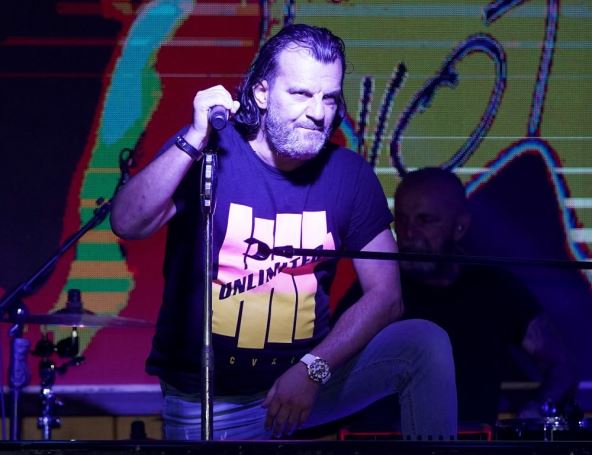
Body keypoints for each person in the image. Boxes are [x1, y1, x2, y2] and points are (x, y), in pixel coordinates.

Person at [110, 24, 457, 441]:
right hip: (212, 405)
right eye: (301, 94)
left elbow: (387, 297)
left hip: (308, 386)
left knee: (423, 343)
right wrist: (195, 135)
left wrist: (313, 369)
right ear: (261, 93)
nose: (318, 112)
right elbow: (127, 222)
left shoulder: (348, 174)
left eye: (329, 98)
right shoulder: (211, 152)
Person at [392, 167, 578, 426]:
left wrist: (534, 412)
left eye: (425, 220)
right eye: (401, 220)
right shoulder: (380, 290)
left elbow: (562, 367)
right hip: (389, 443)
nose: (409, 233)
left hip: (472, 443)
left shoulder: (495, 289)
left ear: (459, 227)